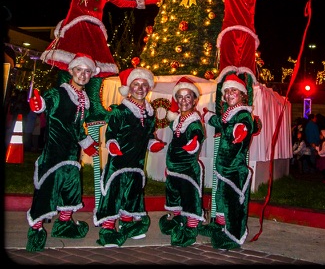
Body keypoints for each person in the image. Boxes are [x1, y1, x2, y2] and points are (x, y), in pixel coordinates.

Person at [25, 53, 101, 252]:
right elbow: (45, 103)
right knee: (47, 192)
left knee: (70, 190)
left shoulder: (84, 98)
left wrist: (85, 142)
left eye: (87, 72)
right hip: (54, 155)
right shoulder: (58, 93)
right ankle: (36, 229)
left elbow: (76, 126)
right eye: (79, 70)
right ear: (71, 71)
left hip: (71, 155)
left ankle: (64, 225)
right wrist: (38, 104)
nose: (83, 75)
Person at [93, 67, 165, 247]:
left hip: (137, 164)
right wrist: (112, 144)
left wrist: (151, 143)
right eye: (136, 84)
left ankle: (127, 222)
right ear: (129, 88)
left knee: (132, 193)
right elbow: (110, 134)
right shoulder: (120, 111)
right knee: (113, 193)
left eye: (144, 85)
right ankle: (108, 226)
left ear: (149, 88)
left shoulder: (149, 113)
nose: (140, 88)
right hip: (119, 163)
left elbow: (148, 134)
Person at [199, 71, 262, 250]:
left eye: (233, 91)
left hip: (234, 170)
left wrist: (240, 130)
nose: (228, 95)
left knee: (233, 203)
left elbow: (245, 125)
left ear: (242, 94)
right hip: (223, 168)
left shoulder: (242, 115)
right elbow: (221, 122)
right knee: (220, 199)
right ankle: (220, 226)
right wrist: (208, 116)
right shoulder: (229, 114)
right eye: (226, 92)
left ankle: (234, 235)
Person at [159, 77, 206, 247]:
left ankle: (191, 228)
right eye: (180, 96)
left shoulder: (194, 121)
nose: (184, 101)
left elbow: (197, 135)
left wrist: (194, 143)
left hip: (187, 169)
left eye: (188, 97)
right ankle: (178, 221)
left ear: (194, 100)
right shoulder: (177, 119)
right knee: (174, 196)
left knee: (190, 198)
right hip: (173, 168)